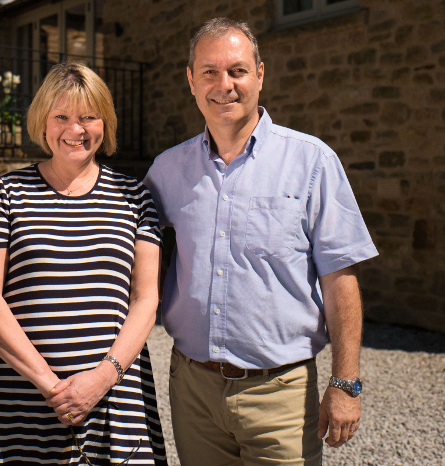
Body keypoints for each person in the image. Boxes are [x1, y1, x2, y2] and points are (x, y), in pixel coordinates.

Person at [143, 18, 379, 465]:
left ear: (260, 75)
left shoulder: (312, 161)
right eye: (209, 72)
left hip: (280, 394)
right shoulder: (167, 170)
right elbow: (130, 254)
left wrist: (345, 384)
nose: (224, 85)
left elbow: (340, 277)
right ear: (191, 80)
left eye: (238, 70)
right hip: (193, 392)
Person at [0, 62, 168, 465]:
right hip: (17, 397)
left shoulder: (136, 197)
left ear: (105, 124)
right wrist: (52, 387)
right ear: (43, 122)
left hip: (113, 395)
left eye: (88, 117)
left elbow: (146, 300)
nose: (75, 129)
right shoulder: (7, 193)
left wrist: (101, 379)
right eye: (61, 117)